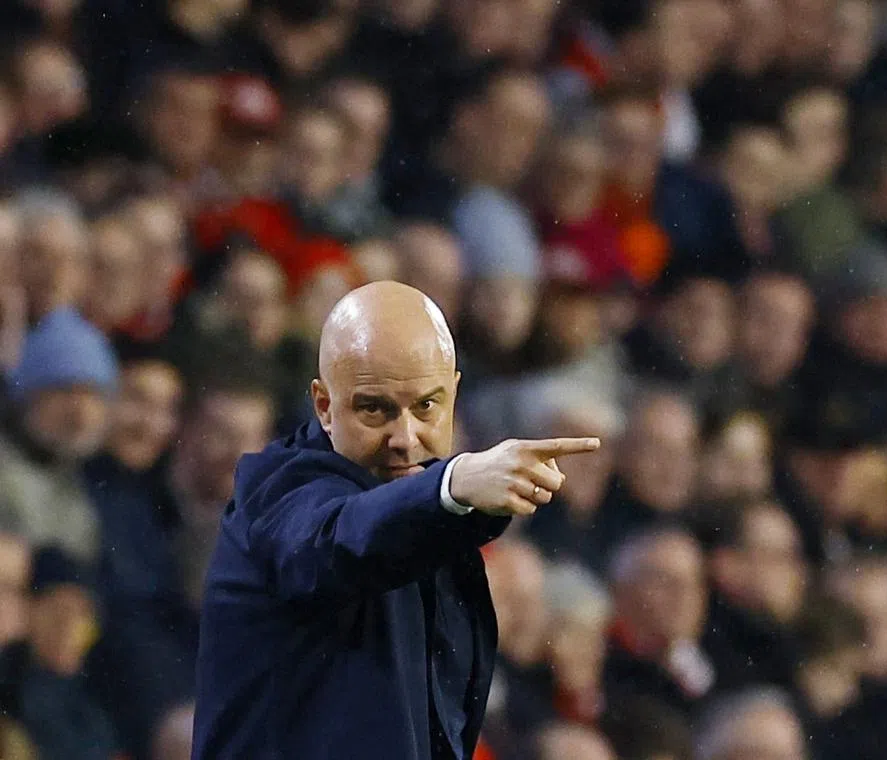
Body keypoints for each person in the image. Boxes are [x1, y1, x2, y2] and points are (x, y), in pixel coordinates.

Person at [191, 281, 600, 759]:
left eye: (426, 406)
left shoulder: (429, 516)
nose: (405, 438)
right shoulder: (277, 493)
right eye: (374, 408)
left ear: (454, 394)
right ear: (324, 405)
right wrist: (451, 484)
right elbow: (338, 541)